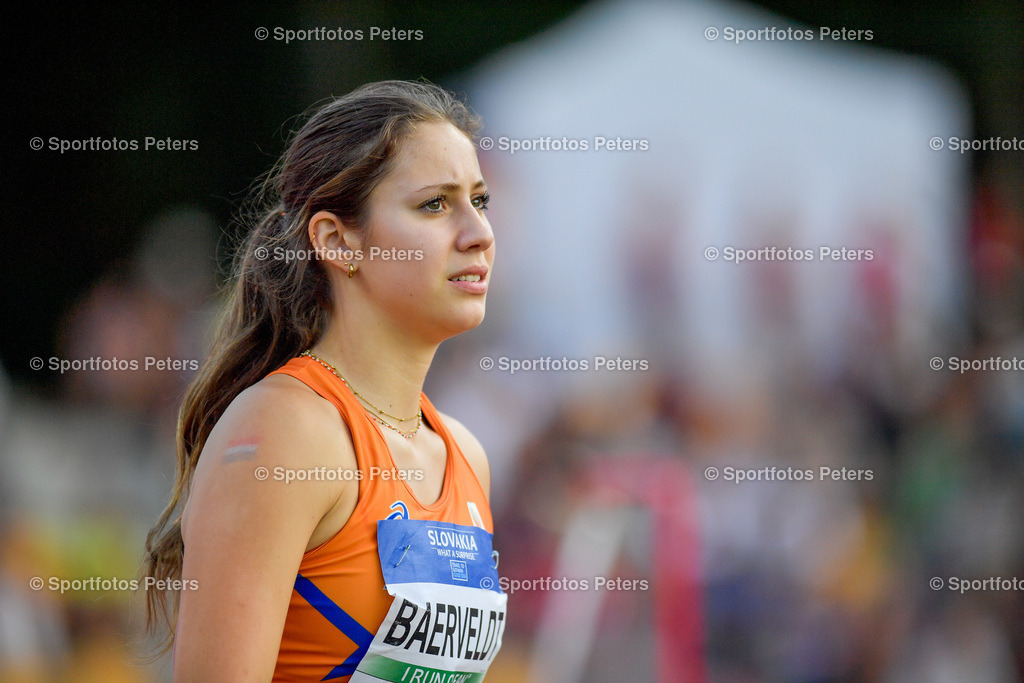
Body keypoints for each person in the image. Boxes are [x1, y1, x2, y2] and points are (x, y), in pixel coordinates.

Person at [141, 80, 506, 682]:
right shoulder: (286, 430)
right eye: (435, 205)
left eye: (480, 201)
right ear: (338, 241)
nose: (480, 233)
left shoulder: (466, 455)